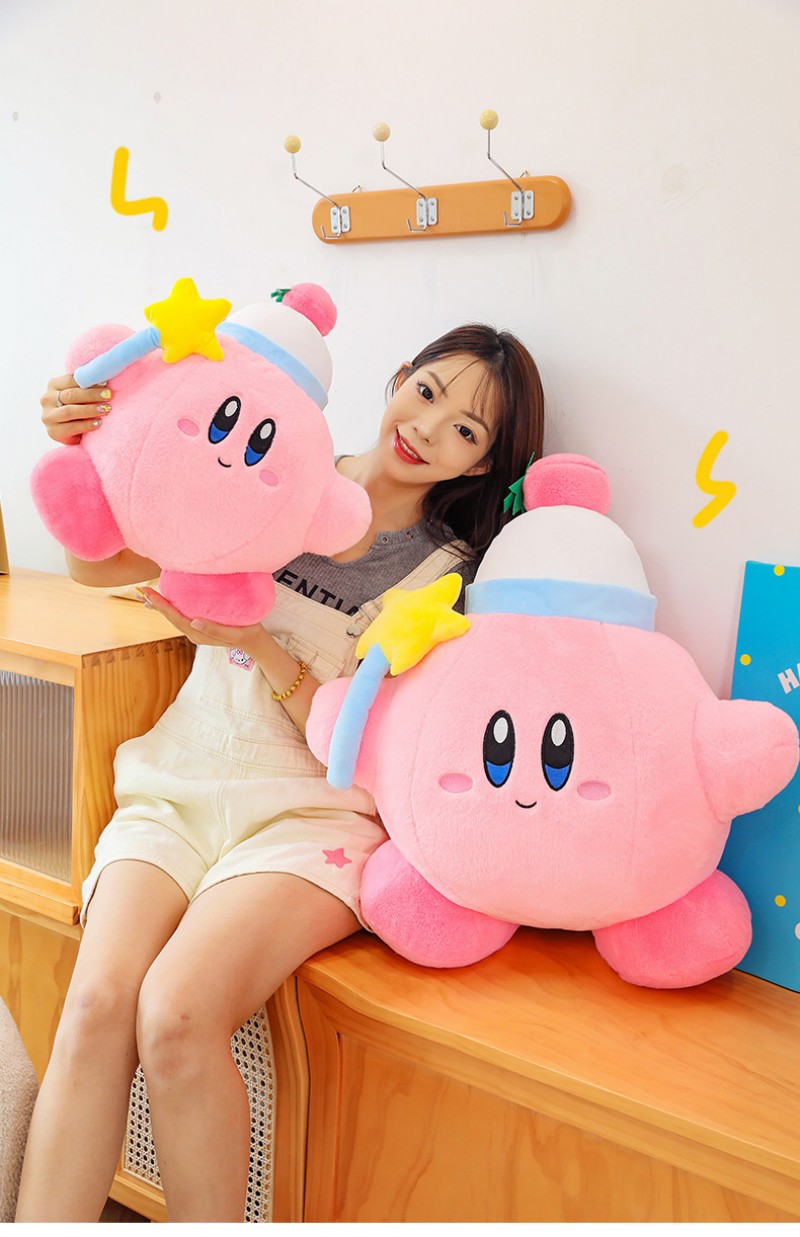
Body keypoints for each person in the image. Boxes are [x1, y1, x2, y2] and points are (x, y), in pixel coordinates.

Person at [16, 320, 545, 1223]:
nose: (428, 428)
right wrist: (81, 442)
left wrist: (257, 640)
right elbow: (95, 565)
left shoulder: (449, 579)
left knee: (177, 1013)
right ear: (398, 379)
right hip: (179, 779)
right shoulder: (272, 465)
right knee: (97, 1001)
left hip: (311, 816)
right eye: (427, 392)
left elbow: (368, 753)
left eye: (465, 429)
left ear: (481, 462)